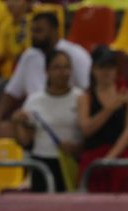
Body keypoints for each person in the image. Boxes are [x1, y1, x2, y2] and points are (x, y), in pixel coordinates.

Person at [0, 10, 90, 125]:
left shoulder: (76, 54)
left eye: (39, 31)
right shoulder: (29, 56)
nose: (33, 36)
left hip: (66, 116)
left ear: (55, 31)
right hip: (32, 117)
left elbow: (87, 90)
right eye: (32, 31)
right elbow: (12, 92)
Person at [13, 50, 83, 192]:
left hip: (71, 162)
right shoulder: (34, 100)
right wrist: (17, 122)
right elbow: (25, 140)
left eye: (66, 67)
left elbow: (88, 133)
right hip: (42, 163)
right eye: (57, 67)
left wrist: (76, 148)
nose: (63, 72)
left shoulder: (81, 97)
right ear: (47, 71)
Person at [76, 45, 128, 194]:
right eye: (102, 67)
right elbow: (86, 129)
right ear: (93, 69)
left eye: (111, 67)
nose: (107, 72)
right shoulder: (85, 98)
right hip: (93, 158)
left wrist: (111, 158)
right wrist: (110, 109)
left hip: (119, 157)